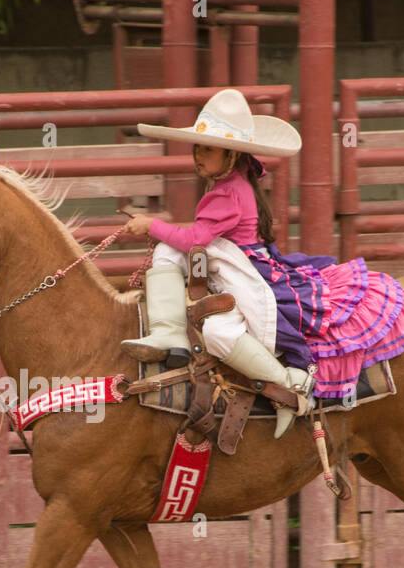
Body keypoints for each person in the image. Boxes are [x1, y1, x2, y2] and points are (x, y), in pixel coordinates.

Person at [120, 88, 315, 437]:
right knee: (167, 251)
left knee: (218, 333)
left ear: (230, 154)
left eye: (207, 148)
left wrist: (150, 225)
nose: (198, 155)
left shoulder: (228, 193)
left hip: (242, 273)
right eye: (197, 147)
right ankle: (169, 333)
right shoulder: (232, 185)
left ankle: (288, 386)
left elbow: (195, 239)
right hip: (230, 262)